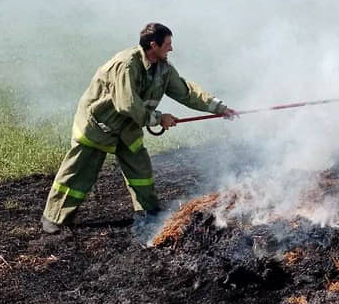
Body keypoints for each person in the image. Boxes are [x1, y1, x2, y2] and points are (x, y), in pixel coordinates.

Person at [41, 23, 237, 234]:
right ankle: (54, 218)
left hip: (127, 126)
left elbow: (186, 92)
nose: (171, 49)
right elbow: (126, 104)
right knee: (79, 171)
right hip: (99, 124)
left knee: (140, 169)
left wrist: (218, 108)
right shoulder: (126, 65)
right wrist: (159, 118)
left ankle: (148, 213)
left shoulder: (163, 68)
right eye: (168, 44)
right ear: (154, 45)